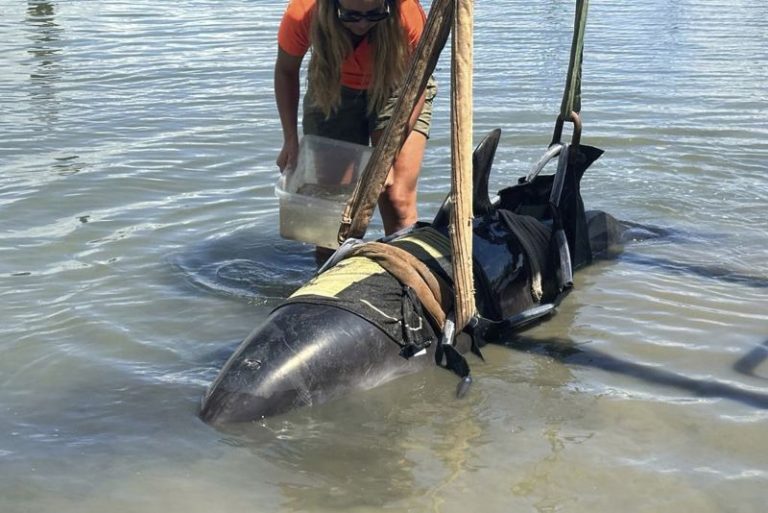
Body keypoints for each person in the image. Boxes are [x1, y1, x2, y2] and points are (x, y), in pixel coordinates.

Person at [274, 0, 436, 243]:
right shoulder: (303, 12)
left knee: (396, 198)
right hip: (332, 88)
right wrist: (289, 140)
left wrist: (386, 157)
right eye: (350, 16)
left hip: (399, 86)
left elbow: (418, 84)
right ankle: (329, 268)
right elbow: (286, 71)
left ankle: (400, 267)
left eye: (374, 15)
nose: (362, 24)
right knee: (330, 208)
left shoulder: (407, 14)